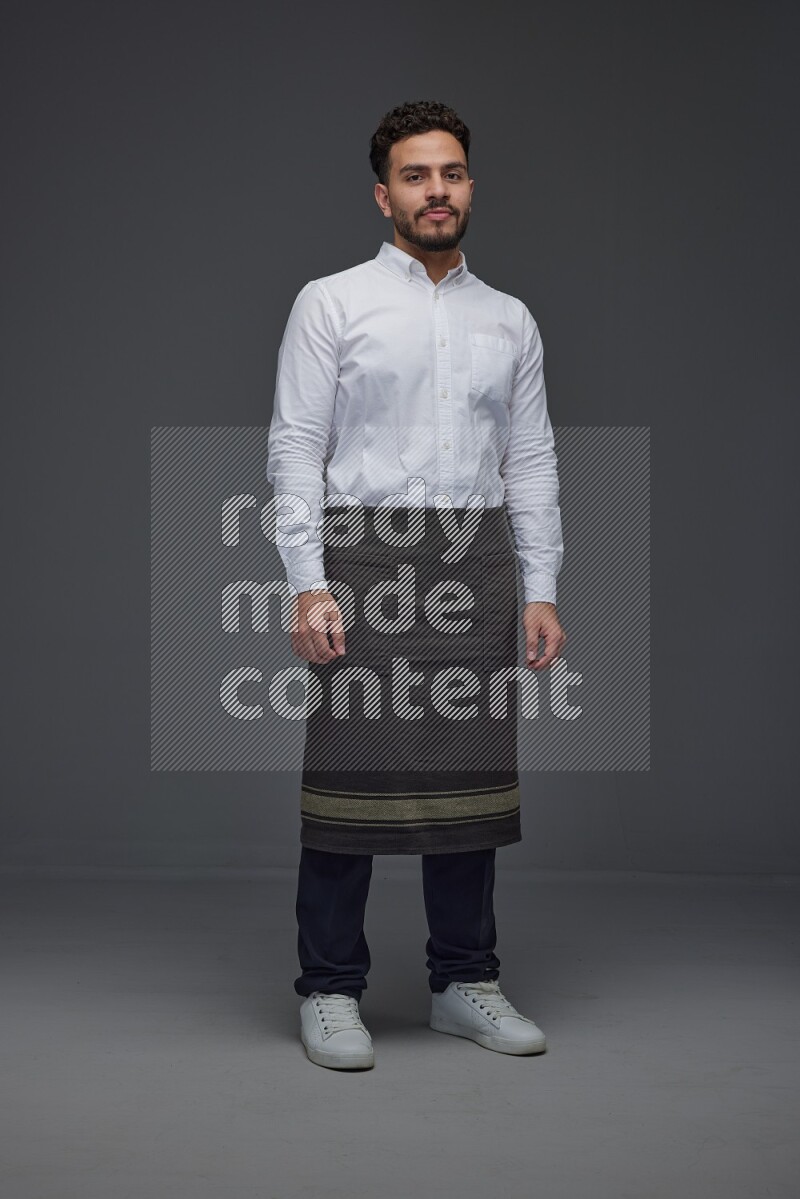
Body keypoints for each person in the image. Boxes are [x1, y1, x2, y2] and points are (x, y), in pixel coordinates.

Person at [266, 99, 566, 1070]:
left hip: (475, 563)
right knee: (348, 782)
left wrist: (540, 586)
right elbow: (296, 447)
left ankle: (462, 981)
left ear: (469, 185)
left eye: (451, 173)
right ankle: (329, 988)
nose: (436, 191)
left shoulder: (508, 319)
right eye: (415, 175)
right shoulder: (331, 302)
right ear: (382, 193)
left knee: (466, 784)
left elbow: (530, 458)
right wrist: (307, 583)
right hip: (361, 559)